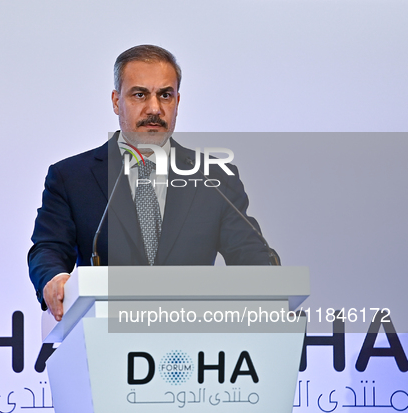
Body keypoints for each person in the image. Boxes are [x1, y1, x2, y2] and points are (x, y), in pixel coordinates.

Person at [28, 45, 272, 322]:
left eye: (165, 95)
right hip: (105, 336)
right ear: (116, 101)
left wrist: (268, 277)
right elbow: (48, 248)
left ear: (177, 102)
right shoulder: (71, 177)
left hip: (196, 337)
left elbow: (250, 254)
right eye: (140, 94)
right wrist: (55, 278)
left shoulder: (214, 177)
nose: (154, 108)